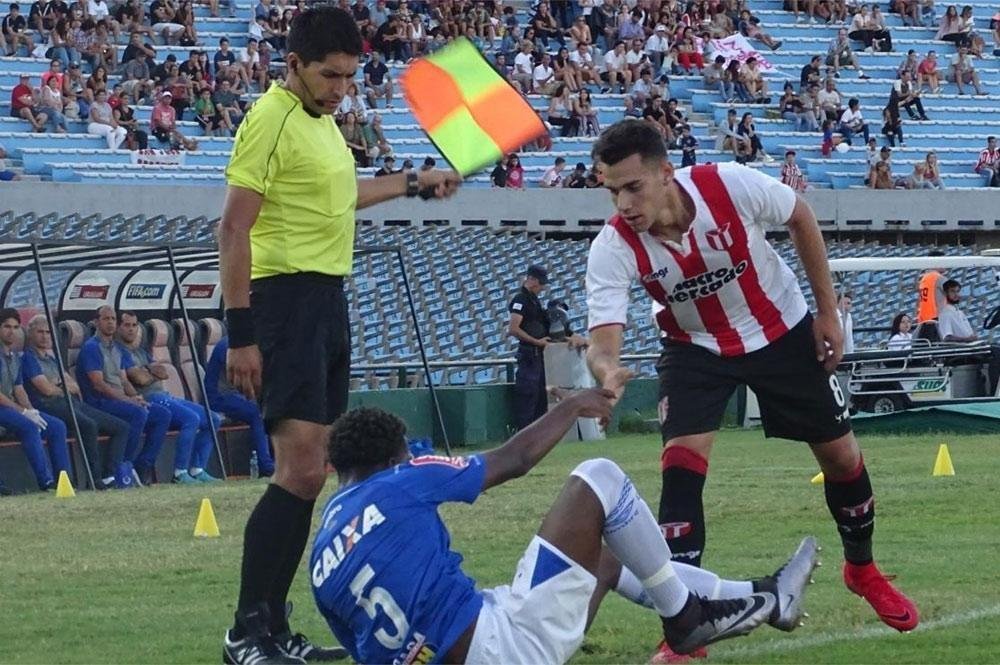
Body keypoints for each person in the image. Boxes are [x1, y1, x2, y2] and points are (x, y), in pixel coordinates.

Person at [584, 120, 919, 661]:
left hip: (780, 328)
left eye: (632, 187)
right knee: (681, 465)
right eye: (612, 191)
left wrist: (828, 314)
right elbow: (604, 339)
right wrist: (607, 369)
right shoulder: (613, 246)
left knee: (841, 456)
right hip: (692, 347)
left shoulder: (729, 184)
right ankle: (685, 631)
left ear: (666, 173)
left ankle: (862, 568)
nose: (622, 203)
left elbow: (800, 216)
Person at [218, 7, 461, 663]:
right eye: (330, 75)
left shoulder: (322, 123)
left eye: (350, 76)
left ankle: (273, 626)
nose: (340, 88)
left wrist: (414, 182)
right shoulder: (269, 118)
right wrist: (240, 332)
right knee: (298, 466)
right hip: (285, 300)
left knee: (311, 471)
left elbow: (340, 196)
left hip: (326, 297)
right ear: (292, 64)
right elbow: (233, 228)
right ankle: (246, 631)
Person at [311, 402, 819, 664]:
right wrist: (573, 405)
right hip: (502, 648)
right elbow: (514, 459)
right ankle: (685, 618)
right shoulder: (399, 481)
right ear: (394, 456)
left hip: (473, 641)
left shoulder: (319, 560)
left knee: (601, 557)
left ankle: (768, 597)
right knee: (598, 479)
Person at [21, 314, 130, 490]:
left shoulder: (51, 358)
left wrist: (58, 383)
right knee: (89, 425)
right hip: (48, 404)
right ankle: (94, 479)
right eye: (40, 332)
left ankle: (110, 475)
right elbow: (46, 390)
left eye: (48, 332)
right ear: (30, 333)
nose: (44, 336)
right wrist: (60, 385)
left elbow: (74, 385)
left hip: (71, 402)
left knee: (121, 427)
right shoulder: (28, 358)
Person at [116, 311, 221, 484]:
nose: (131, 329)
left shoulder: (141, 352)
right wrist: (148, 371)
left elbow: (163, 372)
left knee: (213, 419)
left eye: (134, 325)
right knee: (191, 419)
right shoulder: (119, 352)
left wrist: (147, 371)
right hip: (150, 399)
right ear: (119, 328)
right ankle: (179, 473)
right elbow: (139, 379)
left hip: (165, 395)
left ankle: (197, 469)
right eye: (127, 325)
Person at [76, 306, 171, 486]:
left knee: (161, 414)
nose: (111, 322)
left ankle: (142, 465)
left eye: (113, 319)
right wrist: (128, 401)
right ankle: (121, 466)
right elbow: (99, 384)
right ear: (96, 322)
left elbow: (124, 379)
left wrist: (136, 397)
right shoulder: (91, 347)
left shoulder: (116, 348)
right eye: (106, 319)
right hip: (99, 402)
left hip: (118, 399)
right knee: (138, 413)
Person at [0, 308, 70, 491]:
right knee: (29, 427)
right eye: (6, 326)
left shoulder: (14, 357)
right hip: (3, 408)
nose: (11, 331)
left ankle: (65, 481)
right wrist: (23, 412)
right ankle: (46, 482)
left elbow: (19, 388)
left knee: (56, 427)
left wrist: (31, 410)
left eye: (15, 327)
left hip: (11, 409)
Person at [205, 336, 275, 476]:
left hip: (237, 395)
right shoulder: (229, 346)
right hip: (219, 396)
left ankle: (278, 460)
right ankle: (266, 465)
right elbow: (245, 376)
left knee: (273, 408)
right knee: (257, 413)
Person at [508, 265, 551, 430]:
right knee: (528, 395)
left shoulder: (533, 300)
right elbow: (513, 329)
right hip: (529, 354)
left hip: (538, 355)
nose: (541, 288)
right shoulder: (521, 299)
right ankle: (524, 433)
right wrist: (536, 341)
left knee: (539, 396)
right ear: (532, 280)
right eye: (540, 283)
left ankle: (536, 434)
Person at [938, 279, 1000, 392]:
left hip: (970, 347)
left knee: (996, 348)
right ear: (946, 293)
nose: (956, 295)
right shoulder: (945, 313)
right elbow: (947, 338)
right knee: (995, 353)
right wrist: (967, 339)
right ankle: (994, 389)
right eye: (953, 292)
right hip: (962, 350)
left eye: (957, 291)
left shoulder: (959, 312)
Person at [916, 250, 946, 323]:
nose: (946, 264)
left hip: (924, 319)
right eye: (944, 261)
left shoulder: (924, 278)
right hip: (937, 320)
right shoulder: (939, 278)